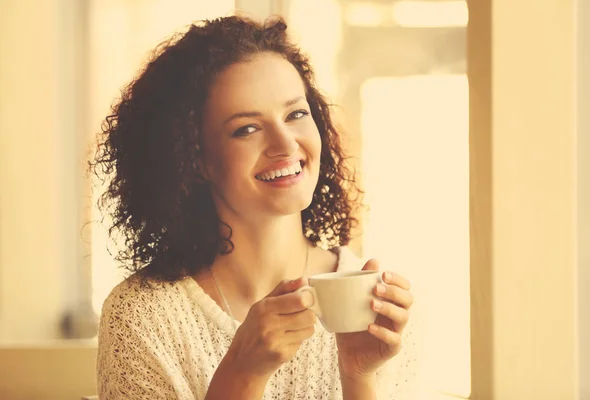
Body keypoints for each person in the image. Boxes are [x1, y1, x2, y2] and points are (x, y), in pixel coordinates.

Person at [92, 15, 416, 400]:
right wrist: (241, 375)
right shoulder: (141, 319)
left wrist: (358, 376)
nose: (285, 144)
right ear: (194, 160)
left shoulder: (383, 314)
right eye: (246, 128)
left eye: (296, 114)